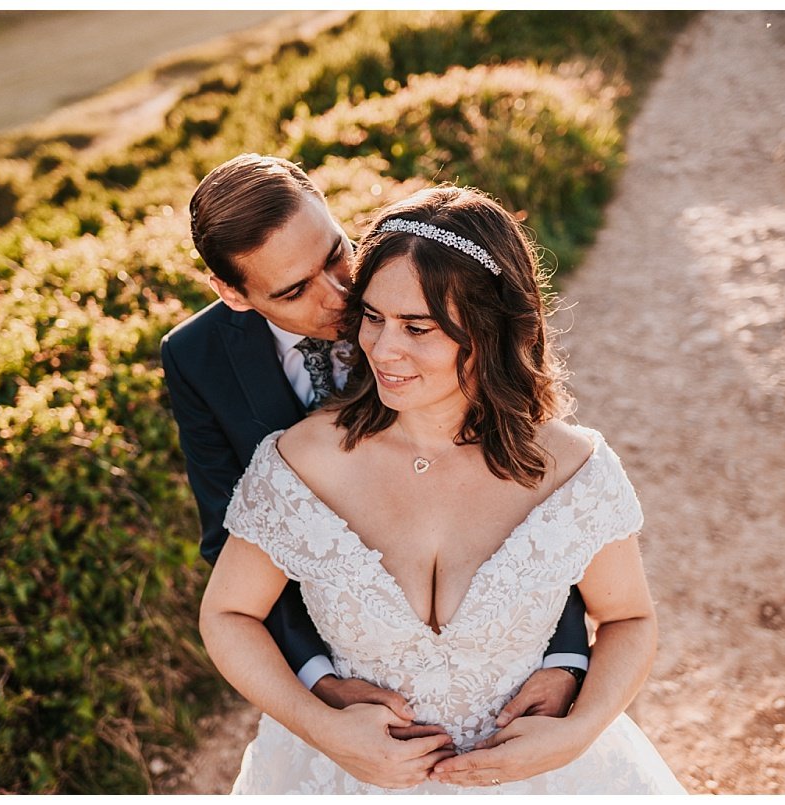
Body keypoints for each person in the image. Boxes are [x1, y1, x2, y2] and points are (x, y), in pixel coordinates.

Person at [199, 185, 685, 793]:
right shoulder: (303, 461)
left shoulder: (572, 467)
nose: (382, 348)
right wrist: (322, 728)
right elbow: (227, 613)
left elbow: (630, 617)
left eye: (418, 327)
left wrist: (579, 731)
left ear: (489, 331)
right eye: (373, 317)